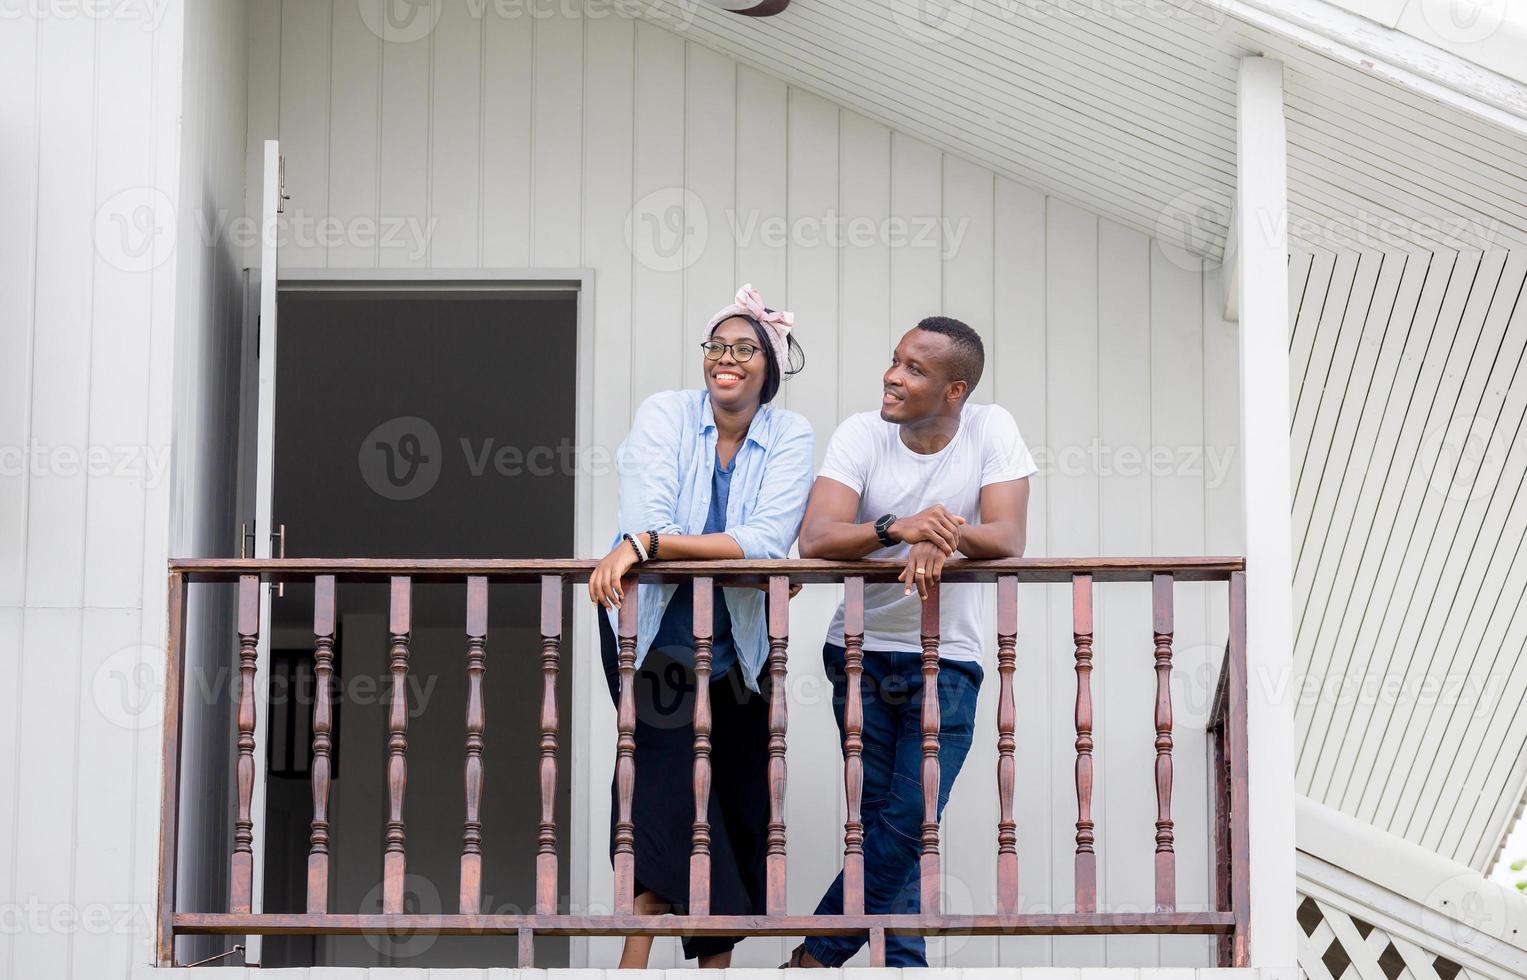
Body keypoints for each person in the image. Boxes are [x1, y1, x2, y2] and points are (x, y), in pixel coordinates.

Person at [786, 316, 1036, 968]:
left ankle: (812, 960)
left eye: (913, 369)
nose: (892, 377)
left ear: (954, 390)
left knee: (908, 819)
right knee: (887, 827)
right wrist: (901, 525)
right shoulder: (860, 434)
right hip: (857, 654)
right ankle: (902, 965)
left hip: (947, 658)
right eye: (894, 360)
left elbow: (1007, 537)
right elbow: (817, 537)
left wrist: (939, 534)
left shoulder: (990, 428)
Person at [587, 284, 814, 968]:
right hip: (650, 629)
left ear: (767, 369)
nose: (727, 358)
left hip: (742, 640)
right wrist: (653, 541)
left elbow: (767, 539)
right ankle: (634, 957)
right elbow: (649, 509)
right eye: (717, 345)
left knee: (739, 788)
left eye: (745, 348)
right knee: (659, 780)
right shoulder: (664, 414)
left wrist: (650, 546)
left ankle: (713, 960)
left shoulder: (790, 435)